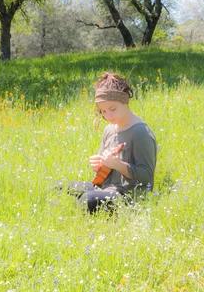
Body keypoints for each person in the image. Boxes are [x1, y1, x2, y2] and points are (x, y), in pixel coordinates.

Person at [67, 72, 157, 212]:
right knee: (59, 187)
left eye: (112, 109)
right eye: (103, 111)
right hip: (104, 187)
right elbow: (104, 170)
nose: (108, 115)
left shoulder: (141, 132)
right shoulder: (109, 130)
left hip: (126, 195)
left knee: (87, 200)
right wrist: (98, 166)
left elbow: (146, 177)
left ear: (124, 101)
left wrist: (119, 165)